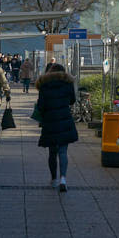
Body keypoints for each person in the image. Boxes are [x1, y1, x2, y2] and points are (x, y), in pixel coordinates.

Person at [36, 63, 78, 192]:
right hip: (65, 119)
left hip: (50, 120)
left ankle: (53, 179)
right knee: (63, 151)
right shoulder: (67, 83)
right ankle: (63, 179)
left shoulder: (44, 85)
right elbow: (72, 100)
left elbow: (41, 105)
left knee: (52, 152)